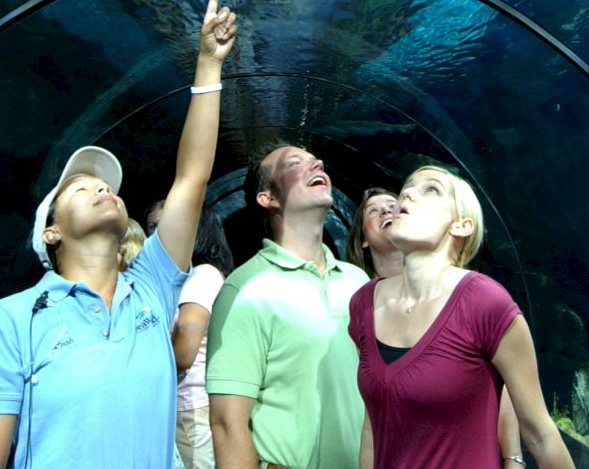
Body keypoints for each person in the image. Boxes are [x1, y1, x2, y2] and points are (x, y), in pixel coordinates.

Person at [0, 0, 238, 469]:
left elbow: (192, 177)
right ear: (51, 233)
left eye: (105, 185)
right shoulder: (10, 320)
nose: (101, 189)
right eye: (79, 187)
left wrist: (208, 67)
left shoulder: (152, 289)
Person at [347, 165, 575, 469]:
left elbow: (540, 435)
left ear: (461, 226)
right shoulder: (363, 304)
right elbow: (373, 425)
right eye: (408, 187)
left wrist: (513, 460)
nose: (409, 192)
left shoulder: (486, 302)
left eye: (432, 189)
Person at [206, 144, 368, 469]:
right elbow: (227, 424)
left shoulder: (358, 282)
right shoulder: (245, 289)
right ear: (269, 198)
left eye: (316, 160)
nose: (317, 163)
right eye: (296, 162)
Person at [148, 203, 234, 469]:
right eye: (152, 227)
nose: (157, 234)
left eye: (166, 223)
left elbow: (184, 353)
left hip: (192, 410)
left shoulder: (201, 275)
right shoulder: (181, 279)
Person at [346, 187, 403, 279]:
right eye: (373, 210)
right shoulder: (354, 288)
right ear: (363, 238)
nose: (386, 210)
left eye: (393, 206)